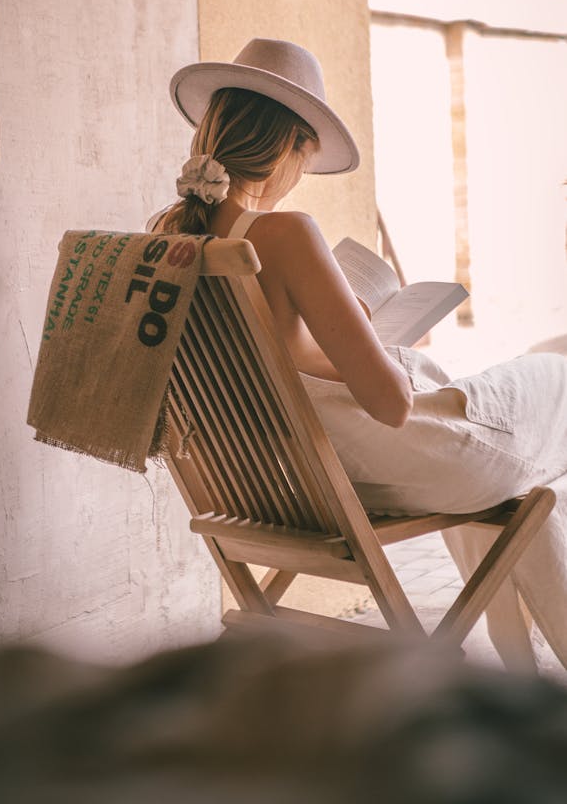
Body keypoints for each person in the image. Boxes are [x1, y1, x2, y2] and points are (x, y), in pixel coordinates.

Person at [154, 37, 567, 671]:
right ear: (288, 145)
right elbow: (392, 404)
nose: (300, 173)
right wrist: (366, 328)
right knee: (555, 372)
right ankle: (525, 673)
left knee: (520, 494)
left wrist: (336, 329)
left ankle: (523, 671)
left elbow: (279, 358)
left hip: (283, 482)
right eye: (305, 154)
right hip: (382, 464)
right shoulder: (286, 235)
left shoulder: (165, 239)